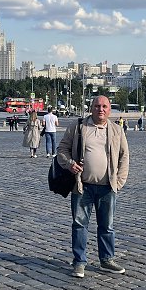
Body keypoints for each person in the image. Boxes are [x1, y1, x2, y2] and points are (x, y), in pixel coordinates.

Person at [56, 95, 129, 279]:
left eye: (104, 106)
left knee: (107, 226)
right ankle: (79, 262)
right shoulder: (78, 127)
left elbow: (124, 156)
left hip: (108, 187)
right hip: (82, 186)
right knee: (79, 225)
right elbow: (62, 149)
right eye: (97, 106)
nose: (100, 109)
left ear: (110, 110)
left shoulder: (117, 130)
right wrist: (70, 164)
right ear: (91, 108)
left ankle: (107, 260)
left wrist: (119, 182)